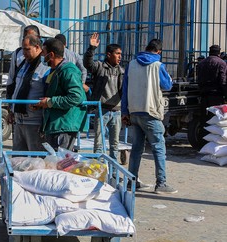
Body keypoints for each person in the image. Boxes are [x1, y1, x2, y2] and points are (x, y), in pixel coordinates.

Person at [121, 38, 177, 194]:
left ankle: (131, 181)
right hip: (151, 112)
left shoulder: (131, 65)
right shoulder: (158, 66)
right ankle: (161, 183)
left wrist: (124, 112)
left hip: (134, 112)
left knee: (137, 148)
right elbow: (167, 86)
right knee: (158, 148)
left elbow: (124, 90)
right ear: (159, 51)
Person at [34, 38, 87, 151]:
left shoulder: (68, 71)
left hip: (63, 126)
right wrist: (42, 104)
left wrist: (50, 102)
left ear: (51, 54)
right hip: (55, 125)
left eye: (44, 53)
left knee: (61, 163)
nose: (42, 56)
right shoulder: (56, 71)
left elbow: (75, 97)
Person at [83, 32, 124, 161]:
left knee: (115, 145)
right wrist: (92, 48)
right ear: (109, 54)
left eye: (120, 54)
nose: (120, 56)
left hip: (116, 111)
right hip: (102, 110)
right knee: (99, 144)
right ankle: (98, 169)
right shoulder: (100, 67)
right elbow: (88, 63)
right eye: (117, 54)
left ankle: (113, 171)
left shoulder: (121, 71)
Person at [9, 35, 49, 151]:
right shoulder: (23, 65)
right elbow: (17, 87)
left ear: (37, 47)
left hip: (34, 122)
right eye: (23, 49)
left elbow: (49, 94)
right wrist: (12, 109)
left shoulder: (45, 67)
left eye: (27, 49)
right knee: (18, 160)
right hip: (19, 120)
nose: (24, 53)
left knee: (34, 160)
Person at [197, 45, 227, 148]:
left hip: (204, 96)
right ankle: (214, 145)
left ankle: (202, 144)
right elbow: (223, 81)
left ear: (209, 52)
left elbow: (198, 80)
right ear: (219, 53)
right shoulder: (221, 63)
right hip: (216, 97)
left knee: (203, 120)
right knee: (216, 122)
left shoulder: (201, 63)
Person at [6, 25, 40, 99]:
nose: (27, 40)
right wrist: (9, 98)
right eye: (25, 37)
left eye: (30, 37)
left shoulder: (44, 56)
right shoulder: (18, 53)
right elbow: (11, 77)